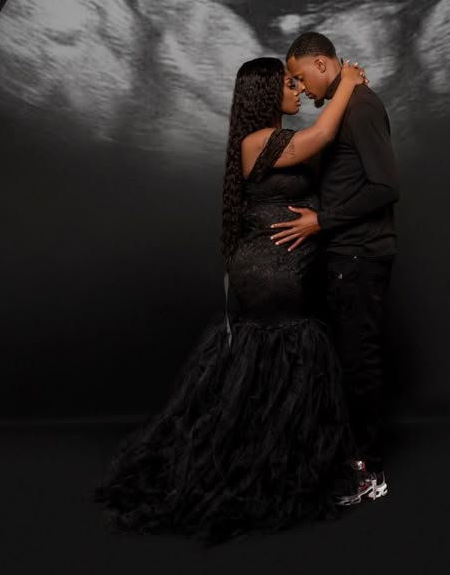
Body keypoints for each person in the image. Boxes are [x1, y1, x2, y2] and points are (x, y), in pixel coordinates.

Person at [93, 55, 369, 545]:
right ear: (265, 94)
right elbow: (322, 136)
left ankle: (276, 462)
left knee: (283, 355)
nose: (299, 90)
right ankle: (257, 472)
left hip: (285, 265)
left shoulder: (272, 139)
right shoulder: (255, 141)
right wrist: (346, 82)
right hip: (270, 269)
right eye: (290, 83)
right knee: (283, 344)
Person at [272, 31, 399, 506]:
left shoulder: (361, 106)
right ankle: (354, 463)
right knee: (346, 363)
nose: (301, 89)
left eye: (302, 77)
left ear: (323, 64)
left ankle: (371, 473)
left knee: (357, 363)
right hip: (347, 255)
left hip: (360, 255)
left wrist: (322, 221)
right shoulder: (343, 105)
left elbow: (385, 186)